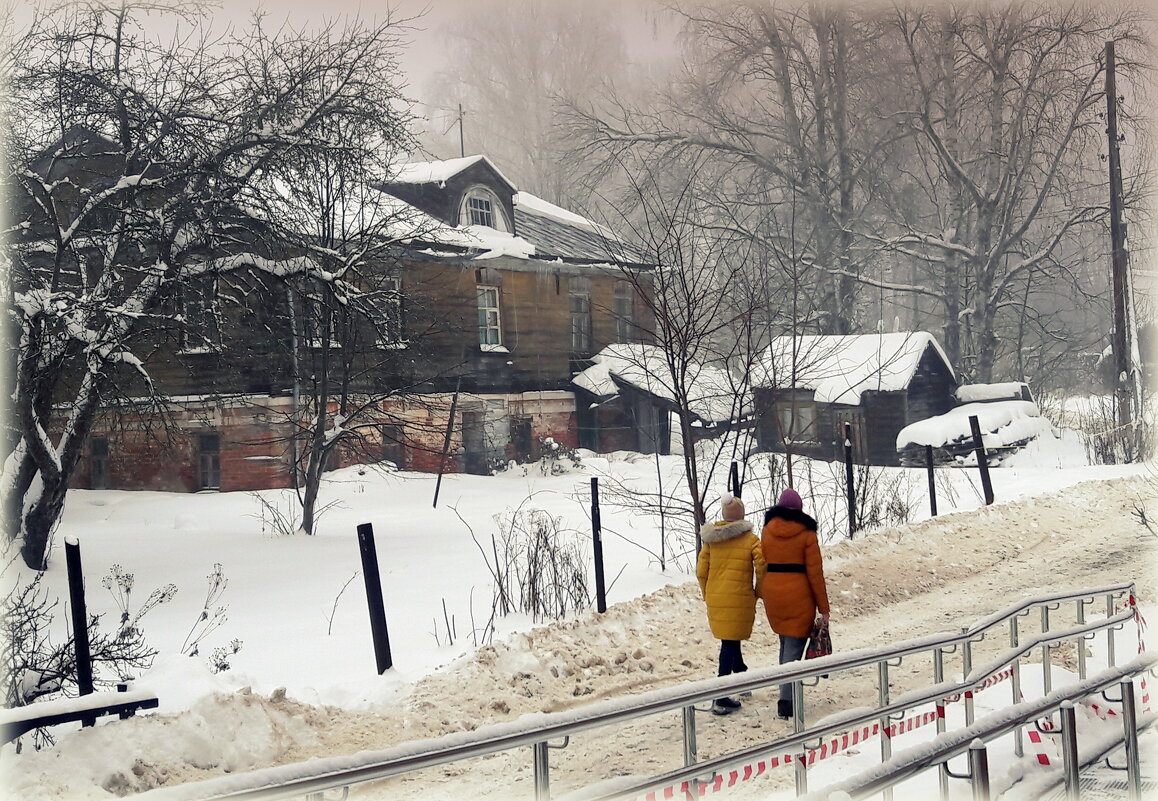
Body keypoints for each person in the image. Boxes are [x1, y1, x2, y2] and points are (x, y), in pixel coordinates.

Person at [759, 487, 830, 720]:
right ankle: (786, 702)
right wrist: (824, 608)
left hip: (774, 594)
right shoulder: (807, 534)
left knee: (784, 644)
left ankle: (784, 691)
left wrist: (760, 591)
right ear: (799, 509)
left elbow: (763, 564)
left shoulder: (767, 531)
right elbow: (815, 573)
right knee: (793, 649)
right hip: (799, 594)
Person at [696, 493, 766, 716]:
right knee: (729, 643)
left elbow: (700, 571)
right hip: (739, 596)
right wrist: (758, 591)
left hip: (716, 596)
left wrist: (708, 592)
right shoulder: (751, 539)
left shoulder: (711, 540)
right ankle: (721, 696)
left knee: (731, 638)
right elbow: (762, 566)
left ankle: (741, 674)